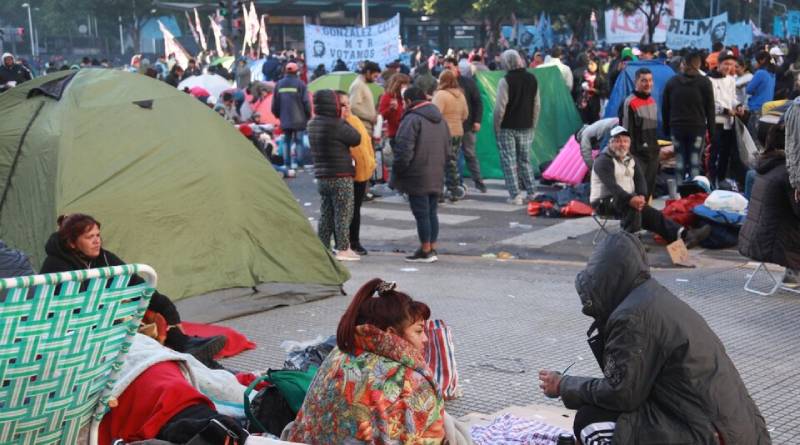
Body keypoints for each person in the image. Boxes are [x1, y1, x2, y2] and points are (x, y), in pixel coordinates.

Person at [538, 231, 772, 445]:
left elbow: (621, 394)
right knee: (604, 414)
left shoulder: (632, 316)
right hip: (739, 430)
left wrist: (563, 385)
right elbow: (632, 387)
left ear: (603, 282)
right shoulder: (652, 298)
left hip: (713, 435)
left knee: (590, 422)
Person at [39, 214, 227, 365]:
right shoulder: (56, 267)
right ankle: (184, 351)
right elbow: (74, 310)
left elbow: (137, 284)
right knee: (130, 310)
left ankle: (184, 345)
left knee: (148, 306)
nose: (97, 241)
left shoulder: (102, 258)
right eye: (90, 237)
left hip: (107, 319)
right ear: (72, 243)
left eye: (98, 235)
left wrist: (167, 308)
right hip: (75, 333)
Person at [287, 278, 445, 444]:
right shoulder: (411, 379)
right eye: (419, 331)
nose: (426, 339)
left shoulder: (340, 353)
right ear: (391, 334)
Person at [590, 126, 710, 247]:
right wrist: (631, 199)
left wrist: (642, 195)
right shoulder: (603, 160)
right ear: (610, 143)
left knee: (651, 213)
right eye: (618, 141)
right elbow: (613, 188)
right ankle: (633, 244)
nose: (622, 144)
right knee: (632, 205)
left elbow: (640, 179)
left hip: (625, 198)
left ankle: (684, 235)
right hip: (603, 201)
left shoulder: (630, 158)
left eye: (625, 141)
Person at [391, 87, 449, 263]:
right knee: (432, 212)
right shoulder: (440, 119)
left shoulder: (412, 119)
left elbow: (403, 150)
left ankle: (425, 250)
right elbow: (449, 146)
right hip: (436, 171)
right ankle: (432, 247)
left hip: (417, 173)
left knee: (422, 214)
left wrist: (398, 171)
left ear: (408, 101)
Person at [739, 123, 800, 288]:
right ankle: (793, 274)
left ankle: (792, 274)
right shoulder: (787, 173)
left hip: (753, 239)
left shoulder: (766, 165)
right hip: (771, 244)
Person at [307, 89, 362, 261]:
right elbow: (356, 138)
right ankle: (343, 248)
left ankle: (323, 247)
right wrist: (344, 118)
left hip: (322, 176)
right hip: (340, 175)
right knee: (343, 213)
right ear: (335, 105)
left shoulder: (313, 123)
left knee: (326, 213)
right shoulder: (337, 124)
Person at [494, 49, 540, 205]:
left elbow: (500, 108)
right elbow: (536, 104)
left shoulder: (505, 81)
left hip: (507, 126)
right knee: (525, 160)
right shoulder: (532, 79)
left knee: (509, 161)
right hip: (527, 125)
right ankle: (532, 192)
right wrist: (533, 123)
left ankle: (515, 195)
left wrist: (497, 126)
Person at [662, 51, 715, 184]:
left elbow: (665, 108)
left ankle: (680, 193)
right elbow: (710, 108)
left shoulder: (672, 82)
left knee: (679, 161)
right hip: (697, 128)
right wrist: (712, 131)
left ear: (683, 64)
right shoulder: (705, 82)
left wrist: (666, 129)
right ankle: (694, 193)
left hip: (677, 128)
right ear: (699, 64)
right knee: (695, 161)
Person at [337, 90, 376, 257]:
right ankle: (344, 243)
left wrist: (371, 163)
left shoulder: (355, 121)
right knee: (344, 210)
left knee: (355, 209)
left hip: (361, 172)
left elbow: (366, 144)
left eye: (348, 104)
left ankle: (355, 241)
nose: (347, 107)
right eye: (342, 105)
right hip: (345, 173)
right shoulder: (336, 124)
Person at [444, 57, 486, 193]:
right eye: (444, 67)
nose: (446, 70)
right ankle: (457, 183)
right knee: (453, 156)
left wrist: (477, 121)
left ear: (456, 68)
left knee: (469, 154)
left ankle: (479, 182)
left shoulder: (468, 83)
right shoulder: (443, 84)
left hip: (467, 125)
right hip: (450, 128)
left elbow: (478, 102)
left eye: (449, 67)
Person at [620, 68, 659, 198]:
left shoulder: (652, 101)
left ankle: (645, 218)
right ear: (636, 82)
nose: (648, 84)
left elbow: (652, 131)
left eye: (650, 80)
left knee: (648, 193)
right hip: (637, 156)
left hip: (652, 154)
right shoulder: (629, 102)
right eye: (643, 81)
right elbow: (625, 132)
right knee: (637, 193)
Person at [709, 51, 745, 188]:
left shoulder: (731, 80)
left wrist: (738, 105)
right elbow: (710, 103)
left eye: (732, 64)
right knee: (714, 153)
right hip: (716, 122)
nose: (729, 67)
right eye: (726, 64)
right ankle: (712, 181)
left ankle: (722, 179)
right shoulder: (709, 80)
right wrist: (725, 110)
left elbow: (732, 98)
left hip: (729, 123)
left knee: (725, 153)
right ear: (719, 64)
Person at [432, 70, 469, 202]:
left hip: (443, 133)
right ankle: (454, 189)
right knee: (452, 161)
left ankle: (439, 191)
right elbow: (465, 115)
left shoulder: (440, 95)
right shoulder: (461, 95)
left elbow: (434, 114)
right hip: (458, 132)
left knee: (439, 162)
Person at [272, 62, 311, 178]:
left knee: (286, 141)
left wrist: (279, 115)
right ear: (296, 71)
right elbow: (306, 103)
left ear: (285, 71)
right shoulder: (301, 84)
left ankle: (287, 164)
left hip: (285, 119)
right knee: (299, 142)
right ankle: (299, 164)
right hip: (299, 119)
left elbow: (275, 104)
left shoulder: (279, 84)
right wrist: (308, 116)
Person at [746, 51, 777, 137]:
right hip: (767, 108)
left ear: (762, 60)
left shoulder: (760, 73)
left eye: (755, 60)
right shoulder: (772, 74)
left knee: (752, 137)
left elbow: (748, 90)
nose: (753, 62)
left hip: (757, 108)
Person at [349, 61, 381, 137]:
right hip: (363, 128)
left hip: (367, 128)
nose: (375, 79)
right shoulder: (358, 85)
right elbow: (354, 107)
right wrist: (371, 117)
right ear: (368, 72)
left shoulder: (363, 85)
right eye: (375, 76)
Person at [378, 73, 411, 147]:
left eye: (406, 84)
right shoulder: (387, 97)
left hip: (408, 132)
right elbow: (381, 116)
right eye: (403, 84)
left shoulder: (407, 96)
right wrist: (391, 109)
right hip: (395, 133)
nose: (405, 86)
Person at [574, 58, 607, 124]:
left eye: (592, 64)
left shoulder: (600, 78)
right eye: (589, 63)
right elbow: (577, 88)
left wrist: (593, 90)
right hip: (583, 104)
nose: (589, 66)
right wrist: (582, 87)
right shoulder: (584, 75)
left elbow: (604, 92)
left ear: (597, 65)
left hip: (595, 104)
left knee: (593, 123)